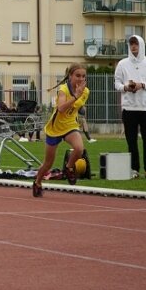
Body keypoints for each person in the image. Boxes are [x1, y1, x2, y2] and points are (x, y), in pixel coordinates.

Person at [31, 63, 90, 197]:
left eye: (83, 76)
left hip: (70, 126)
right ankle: (38, 182)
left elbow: (78, 107)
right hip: (55, 129)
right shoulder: (63, 90)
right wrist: (75, 96)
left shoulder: (86, 91)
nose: (80, 79)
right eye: (77, 75)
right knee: (48, 163)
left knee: (79, 148)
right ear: (70, 76)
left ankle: (68, 168)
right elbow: (61, 108)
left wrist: (80, 109)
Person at [114, 35, 146, 179]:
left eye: (136, 44)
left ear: (141, 45)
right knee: (131, 140)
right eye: (131, 44)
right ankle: (134, 169)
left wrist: (143, 85)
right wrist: (126, 88)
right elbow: (116, 84)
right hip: (129, 108)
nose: (133, 47)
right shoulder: (122, 64)